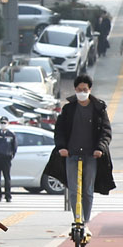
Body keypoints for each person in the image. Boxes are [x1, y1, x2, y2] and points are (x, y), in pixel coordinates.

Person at [42, 73, 116, 237]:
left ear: (90, 90)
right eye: (79, 89)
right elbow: (59, 131)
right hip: (71, 155)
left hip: (91, 156)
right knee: (74, 191)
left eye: (85, 89)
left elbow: (106, 132)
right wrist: (62, 147)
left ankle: (86, 223)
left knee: (88, 190)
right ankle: (77, 219)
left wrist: (100, 148)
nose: (82, 92)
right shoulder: (68, 109)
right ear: (75, 90)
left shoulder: (99, 109)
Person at [0, 122, 18, 201]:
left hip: (6, 158)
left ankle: (8, 196)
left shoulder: (11, 134)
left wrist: (11, 155)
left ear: (7, 124)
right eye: (2, 123)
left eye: (4, 123)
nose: (3, 124)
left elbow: (14, 147)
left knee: (7, 177)